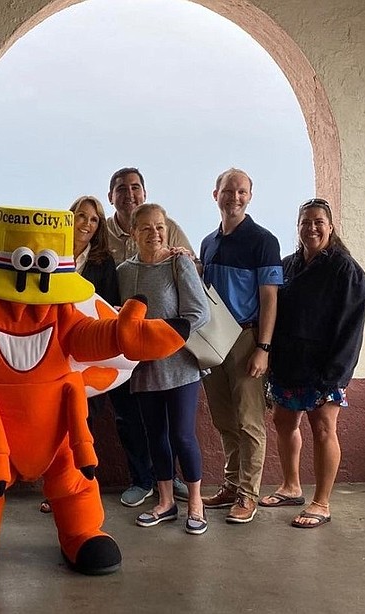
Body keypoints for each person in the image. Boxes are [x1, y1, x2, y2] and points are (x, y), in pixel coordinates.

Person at [259, 198, 365, 528]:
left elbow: (352, 327)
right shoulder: (288, 265)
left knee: (323, 428)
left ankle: (321, 502)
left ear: (331, 227)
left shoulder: (345, 270)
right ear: (298, 227)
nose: (312, 228)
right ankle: (291, 487)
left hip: (325, 369)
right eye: (305, 222)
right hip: (289, 365)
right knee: (283, 421)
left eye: (319, 222)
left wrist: (336, 375)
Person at [117, 204, 210, 535]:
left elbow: (199, 313)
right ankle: (166, 502)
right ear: (133, 233)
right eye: (146, 228)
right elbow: (124, 317)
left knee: (182, 435)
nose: (154, 233)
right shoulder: (125, 271)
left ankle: (196, 503)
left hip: (181, 366)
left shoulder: (179, 262)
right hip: (144, 369)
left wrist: (161, 336)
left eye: (160, 227)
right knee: (154, 436)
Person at [105, 167, 194, 507]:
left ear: (144, 192)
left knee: (169, 421)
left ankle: (168, 481)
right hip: (119, 342)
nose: (130, 193)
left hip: (163, 345)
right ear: (110, 195)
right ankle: (142, 479)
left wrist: (184, 257)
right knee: (128, 415)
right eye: (121, 188)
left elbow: (190, 265)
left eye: (136, 187)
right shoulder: (105, 234)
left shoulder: (165, 225)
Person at [199, 167, 283, 524]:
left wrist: (263, 347)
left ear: (250, 196)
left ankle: (248, 494)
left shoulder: (263, 241)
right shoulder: (208, 242)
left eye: (242, 192)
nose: (235, 197)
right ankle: (232, 485)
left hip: (246, 339)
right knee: (224, 419)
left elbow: (270, 299)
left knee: (250, 422)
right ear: (215, 194)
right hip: (212, 341)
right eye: (228, 190)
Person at [38, 195, 119, 514]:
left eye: (94, 219)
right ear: (69, 218)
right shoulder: (48, 254)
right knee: (54, 423)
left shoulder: (103, 262)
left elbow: (109, 306)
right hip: (49, 350)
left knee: (82, 424)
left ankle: (77, 490)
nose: (86, 223)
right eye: (81, 216)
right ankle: (53, 488)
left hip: (86, 354)